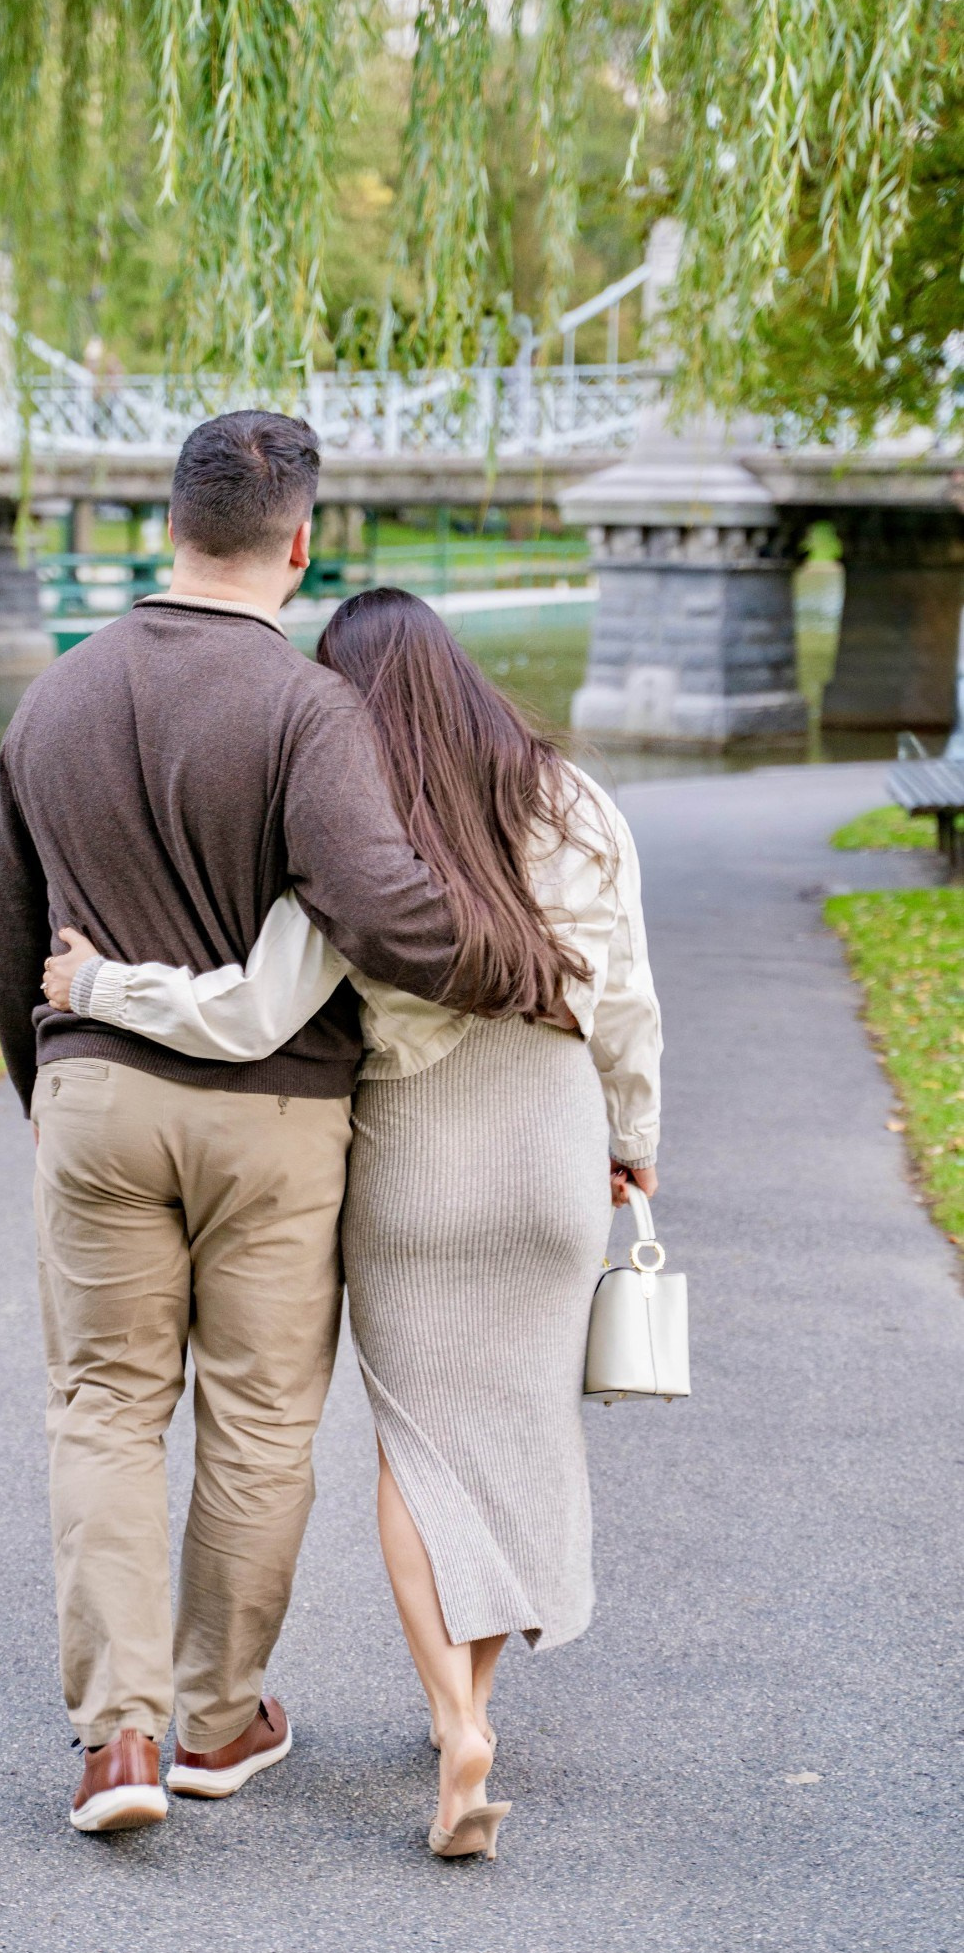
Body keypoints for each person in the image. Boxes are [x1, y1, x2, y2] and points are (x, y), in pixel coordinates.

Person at [43, 587, 662, 1861]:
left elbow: (253, 1010)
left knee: (420, 1443)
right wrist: (633, 1139)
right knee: (514, 1425)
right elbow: (630, 1004)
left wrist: (99, 985)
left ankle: (452, 1718)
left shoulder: (362, 825)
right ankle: (467, 1711)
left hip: (414, 1151)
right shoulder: (578, 804)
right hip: (551, 1140)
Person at [0, 420, 463, 1837]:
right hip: (276, 1116)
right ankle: (217, 1718)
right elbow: (377, 905)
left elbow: (9, 930)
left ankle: (117, 1741)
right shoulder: (311, 709)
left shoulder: (54, 697)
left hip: (95, 1098)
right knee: (258, 1421)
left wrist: (46, 1091)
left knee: (105, 1408)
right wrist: (507, 954)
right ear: (300, 542)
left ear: (172, 525)